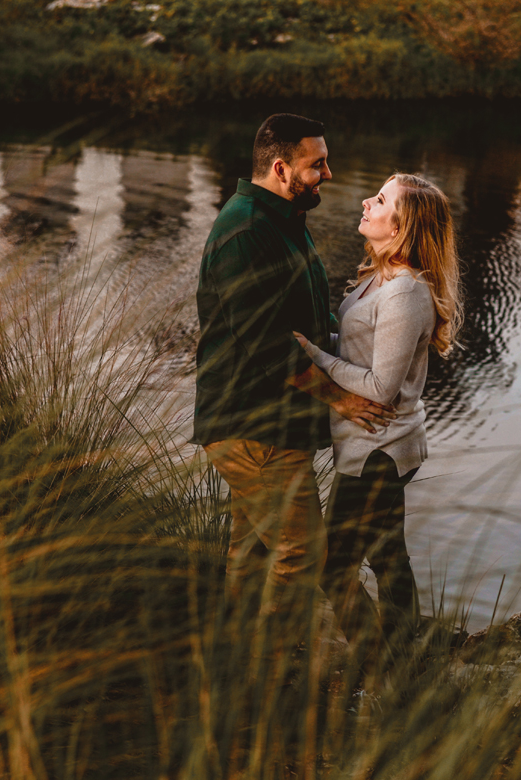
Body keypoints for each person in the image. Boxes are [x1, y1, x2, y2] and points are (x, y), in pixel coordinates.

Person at [193, 114, 393, 622]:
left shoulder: (283, 222)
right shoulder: (245, 231)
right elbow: (269, 346)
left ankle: (240, 660)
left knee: (254, 551)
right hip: (252, 426)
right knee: (303, 556)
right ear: (281, 168)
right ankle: (271, 672)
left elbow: (312, 317)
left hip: (274, 425)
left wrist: (366, 361)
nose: (328, 173)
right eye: (317, 165)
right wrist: (345, 401)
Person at [295, 173, 462, 660]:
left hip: (378, 451)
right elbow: (359, 349)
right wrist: (318, 345)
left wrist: (313, 356)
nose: (368, 201)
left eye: (382, 199)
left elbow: (379, 387)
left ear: (402, 226)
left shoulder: (405, 292)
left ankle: (381, 662)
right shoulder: (381, 276)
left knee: (334, 566)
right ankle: (405, 660)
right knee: (389, 559)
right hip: (377, 446)